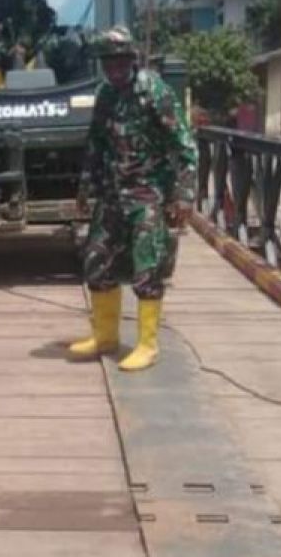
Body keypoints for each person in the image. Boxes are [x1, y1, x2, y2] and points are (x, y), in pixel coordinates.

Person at [68, 26, 197, 371]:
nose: (114, 69)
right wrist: (84, 188)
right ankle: (105, 337)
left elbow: (184, 146)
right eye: (108, 63)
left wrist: (183, 196)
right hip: (112, 194)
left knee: (147, 268)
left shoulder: (154, 92)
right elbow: (96, 143)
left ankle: (147, 345)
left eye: (120, 61)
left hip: (147, 194)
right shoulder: (105, 95)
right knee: (97, 262)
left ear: (133, 59)